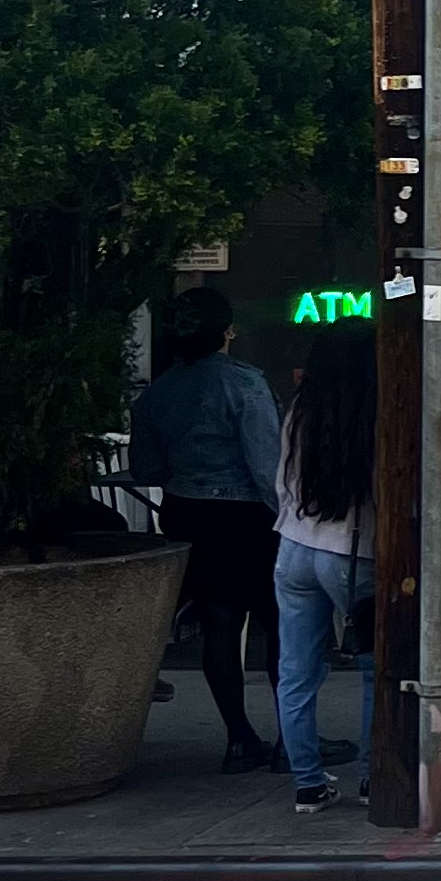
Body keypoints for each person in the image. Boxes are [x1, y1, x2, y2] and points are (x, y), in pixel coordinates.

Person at [127, 296, 284, 772]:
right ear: (227, 332)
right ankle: (292, 737)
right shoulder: (246, 385)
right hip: (245, 516)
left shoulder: (158, 393)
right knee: (279, 626)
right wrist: (286, 520)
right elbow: (265, 466)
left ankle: (239, 736)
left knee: (219, 625)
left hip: (187, 512)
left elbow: (144, 468)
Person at [273, 328, 376, 815]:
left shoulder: (301, 410)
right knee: (377, 670)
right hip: (351, 552)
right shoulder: (373, 415)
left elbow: (281, 482)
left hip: (293, 545)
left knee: (296, 671)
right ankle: (376, 778)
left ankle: (308, 784)